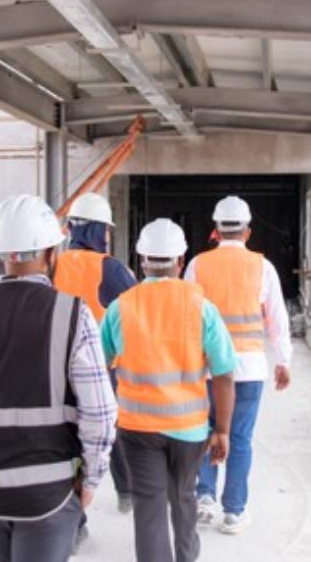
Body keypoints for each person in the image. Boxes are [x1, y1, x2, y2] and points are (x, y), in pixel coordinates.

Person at [0, 195, 117, 562]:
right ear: (50, 253)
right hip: (49, 487)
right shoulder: (73, 314)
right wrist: (90, 480)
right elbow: (101, 416)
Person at [100, 218, 236, 562]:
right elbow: (224, 375)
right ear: (180, 260)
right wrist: (222, 431)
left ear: (141, 260)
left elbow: (97, 369)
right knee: (184, 496)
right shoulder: (202, 308)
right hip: (189, 430)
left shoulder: (120, 307)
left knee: (149, 508)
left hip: (136, 428)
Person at [185, 195, 294, 535]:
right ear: (248, 232)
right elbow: (277, 318)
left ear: (215, 230)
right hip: (248, 369)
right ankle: (234, 512)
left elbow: (186, 317)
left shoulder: (197, 265)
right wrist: (284, 360)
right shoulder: (263, 267)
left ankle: (204, 498)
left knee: (205, 431)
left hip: (205, 369)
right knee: (240, 439)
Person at [53, 192, 136, 524]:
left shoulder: (52, 264)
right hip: (101, 367)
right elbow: (137, 306)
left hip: (58, 368)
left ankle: (76, 522)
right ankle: (127, 492)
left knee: (69, 441)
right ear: (98, 231)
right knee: (111, 430)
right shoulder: (109, 267)